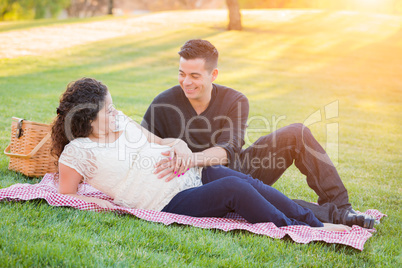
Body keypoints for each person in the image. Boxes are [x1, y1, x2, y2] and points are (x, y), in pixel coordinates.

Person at [51, 77, 350, 231]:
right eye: (109, 109)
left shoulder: (123, 122)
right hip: (167, 201)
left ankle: (314, 222)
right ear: (89, 120)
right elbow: (66, 195)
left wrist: (179, 146)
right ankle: (297, 230)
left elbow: (160, 141)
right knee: (234, 189)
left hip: (190, 174)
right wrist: (108, 204)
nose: (116, 112)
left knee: (248, 182)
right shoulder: (79, 152)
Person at [141, 39, 375, 229]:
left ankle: (341, 207)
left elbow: (228, 152)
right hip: (196, 182)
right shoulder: (163, 103)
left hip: (237, 167)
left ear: (213, 75)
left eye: (194, 76)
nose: (186, 82)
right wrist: (175, 147)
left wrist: (191, 156)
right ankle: (332, 217)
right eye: (182, 73)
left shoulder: (235, 100)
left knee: (297, 133)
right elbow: (141, 142)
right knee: (254, 195)